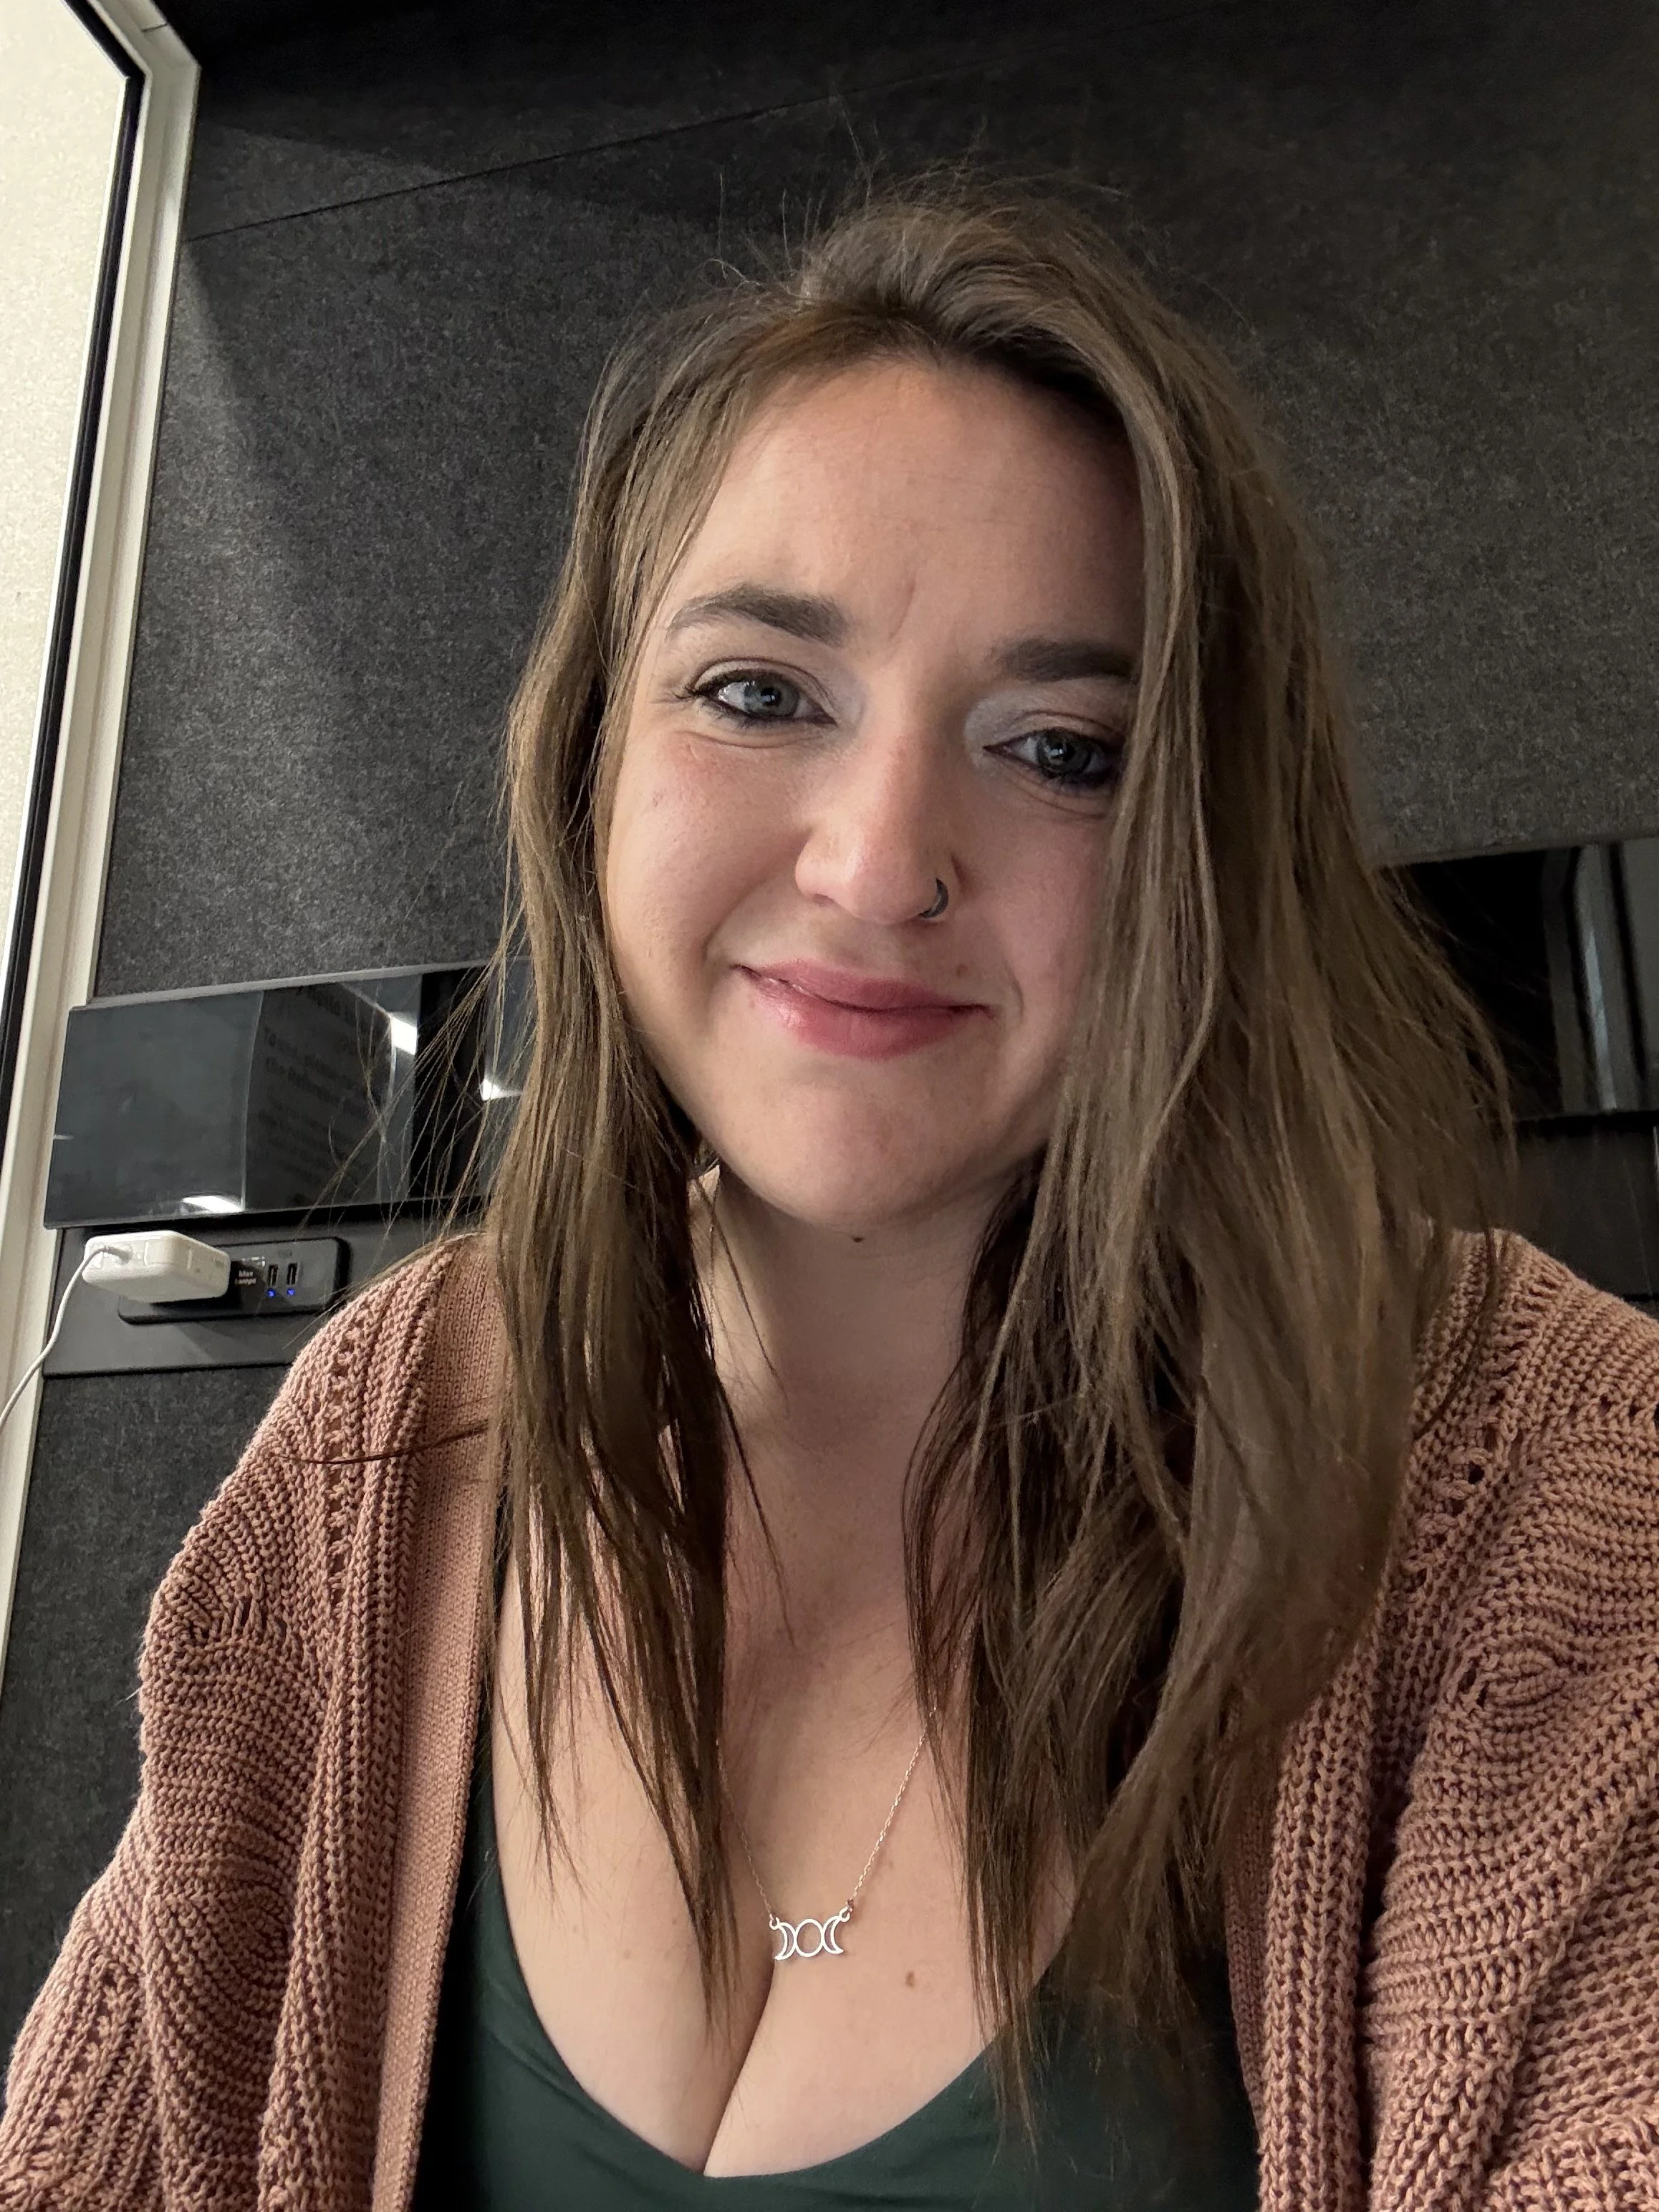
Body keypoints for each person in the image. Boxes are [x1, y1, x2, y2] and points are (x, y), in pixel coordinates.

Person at [2, 184, 1655, 2212]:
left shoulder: (1559, 1491)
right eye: (759, 694)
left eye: (1058, 748)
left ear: (1206, 846)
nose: (878, 864)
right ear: (593, 756)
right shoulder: (384, 1440)